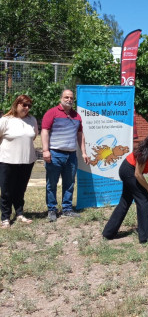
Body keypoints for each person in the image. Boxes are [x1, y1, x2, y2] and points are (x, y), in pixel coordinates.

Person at [102, 125, 148, 243]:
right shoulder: (145, 151)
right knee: (143, 199)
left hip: (134, 172)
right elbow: (138, 174)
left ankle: (108, 233)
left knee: (125, 200)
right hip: (128, 169)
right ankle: (147, 236)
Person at [41, 89, 89, 222]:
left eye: (71, 98)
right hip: (54, 153)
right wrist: (46, 150)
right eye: (66, 97)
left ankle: (67, 208)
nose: (69, 99)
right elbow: (44, 131)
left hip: (71, 155)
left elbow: (80, 135)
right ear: (61, 98)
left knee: (69, 183)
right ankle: (52, 209)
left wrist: (83, 152)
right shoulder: (52, 113)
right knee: (52, 183)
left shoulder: (77, 116)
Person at [0, 94, 38, 229]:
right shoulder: (5, 120)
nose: (27, 108)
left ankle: (19, 213)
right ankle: (5, 218)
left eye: (29, 106)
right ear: (17, 104)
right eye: (24, 105)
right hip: (7, 161)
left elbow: (33, 137)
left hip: (27, 161)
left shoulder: (32, 120)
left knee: (20, 189)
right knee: (6, 190)